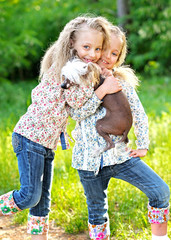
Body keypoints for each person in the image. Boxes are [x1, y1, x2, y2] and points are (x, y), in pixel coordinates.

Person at [0, 16, 120, 240]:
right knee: (29, 196)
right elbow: (77, 103)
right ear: (72, 42)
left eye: (97, 48)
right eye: (87, 47)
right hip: (31, 137)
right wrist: (102, 87)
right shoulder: (72, 68)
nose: (93, 54)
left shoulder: (79, 66)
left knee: (42, 200)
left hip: (45, 142)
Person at [68, 25, 170, 240]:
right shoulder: (81, 80)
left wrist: (143, 144)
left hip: (120, 156)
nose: (108, 57)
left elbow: (139, 114)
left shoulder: (121, 83)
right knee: (97, 212)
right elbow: (76, 113)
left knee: (160, 191)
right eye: (105, 50)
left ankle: (159, 238)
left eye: (115, 53)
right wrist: (101, 91)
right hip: (89, 161)